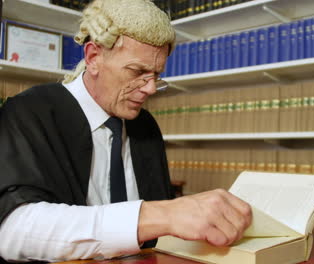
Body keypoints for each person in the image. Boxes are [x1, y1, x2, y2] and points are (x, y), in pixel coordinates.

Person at [0, 0, 252, 262]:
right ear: (93, 57)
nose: (150, 89)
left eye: (156, 75)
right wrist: (159, 215)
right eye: (137, 71)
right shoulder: (31, 111)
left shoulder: (145, 126)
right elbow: (11, 230)